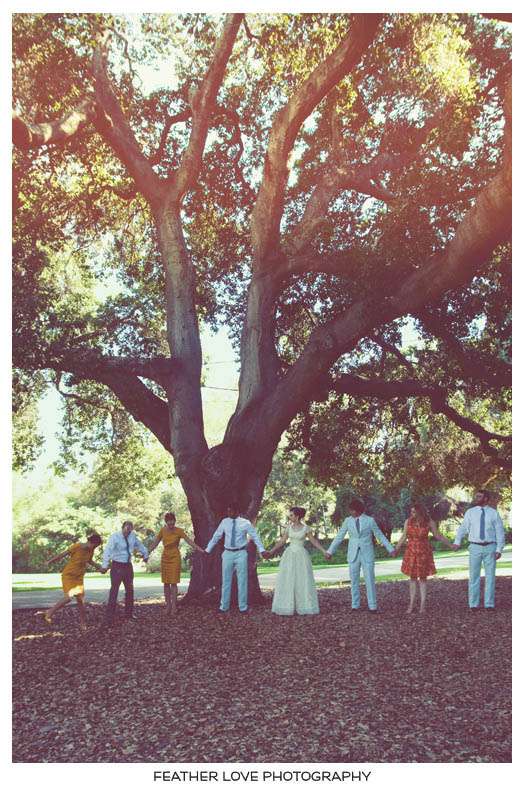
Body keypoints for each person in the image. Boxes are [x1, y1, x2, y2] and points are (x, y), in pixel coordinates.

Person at [326, 498, 395, 612]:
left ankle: (372, 606)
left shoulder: (370, 520)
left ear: (358, 510)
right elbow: (339, 536)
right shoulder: (347, 521)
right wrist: (330, 551)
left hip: (367, 554)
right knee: (354, 580)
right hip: (353, 554)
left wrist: (390, 549)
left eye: (352, 510)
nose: (350, 512)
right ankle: (355, 605)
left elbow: (380, 535)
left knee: (370, 580)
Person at [205, 502, 270, 613]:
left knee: (242, 580)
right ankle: (224, 607)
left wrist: (262, 549)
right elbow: (217, 536)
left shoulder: (245, 523)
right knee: (226, 580)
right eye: (228, 511)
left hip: (241, 553)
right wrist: (208, 549)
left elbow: (254, 536)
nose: (228, 513)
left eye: (231, 511)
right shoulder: (225, 522)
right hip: (227, 553)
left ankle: (243, 607)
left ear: (237, 511)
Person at [393, 502, 454, 614]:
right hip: (411, 552)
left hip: (424, 553)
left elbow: (438, 535)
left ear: (420, 512)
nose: (411, 513)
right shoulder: (408, 521)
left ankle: (422, 605)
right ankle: (411, 604)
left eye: (414, 512)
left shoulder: (429, 522)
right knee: (412, 579)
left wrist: (451, 545)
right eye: (411, 511)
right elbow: (403, 536)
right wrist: (396, 549)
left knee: (422, 579)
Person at [267, 506, 329, 616]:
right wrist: (271, 551)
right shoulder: (288, 528)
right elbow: (282, 541)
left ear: (297, 516)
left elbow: (313, 541)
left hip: (301, 556)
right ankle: (287, 606)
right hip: (289, 555)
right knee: (288, 579)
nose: (289, 517)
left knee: (302, 579)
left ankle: (305, 606)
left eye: (291, 515)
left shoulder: (306, 528)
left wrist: (324, 551)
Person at [451, 488, 505, 610]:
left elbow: (500, 532)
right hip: (474, 547)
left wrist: (499, 549)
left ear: (486, 498)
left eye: (479, 496)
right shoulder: (470, 512)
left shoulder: (494, 513)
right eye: (476, 496)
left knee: (490, 577)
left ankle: (489, 604)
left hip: (490, 547)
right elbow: (463, 528)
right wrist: (457, 542)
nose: (476, 498)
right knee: (474, 576)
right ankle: (473, 604)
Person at [38, 533, 104, 631]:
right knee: (68, 597)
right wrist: (49, 562)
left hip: (79, 577)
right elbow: (63, 554)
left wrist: (99, 567)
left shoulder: (91, 551)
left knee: (80, 601)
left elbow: (90, 561)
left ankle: (83, 623)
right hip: (68, 575)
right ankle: (49, 613)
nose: (95, 548)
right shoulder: (77, 546)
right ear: (90, 542)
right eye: (95, 545)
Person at [148, 512, 206, 615]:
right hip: (165, 557)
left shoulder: (179, 531)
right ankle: (168, 606)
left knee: (174, 583)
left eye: (172, 521)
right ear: (166, 522)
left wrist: (200, 550)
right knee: (166, 583)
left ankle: (174, 607)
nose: (171, 523)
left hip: (175, 557)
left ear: (175, 521)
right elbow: (155, 543)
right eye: (169, 521)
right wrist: (146, 552)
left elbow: (189, 541)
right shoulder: (162, 531)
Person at [101, 520, 149, 626]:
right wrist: (104, 565)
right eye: (126, 529)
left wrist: (145, 554)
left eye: (130, 530)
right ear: (122, 528)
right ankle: (110, 617)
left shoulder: (132, 536)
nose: (128, 532)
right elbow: (108, 550)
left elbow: (139, 545)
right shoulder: (115, 537)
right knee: (114, 591)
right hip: (117, 565)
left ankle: (129, 614)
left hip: (128, 566)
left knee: (130, 590)